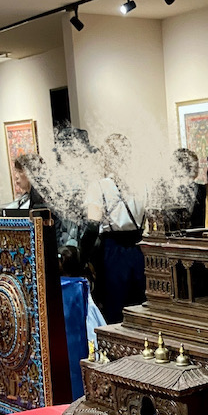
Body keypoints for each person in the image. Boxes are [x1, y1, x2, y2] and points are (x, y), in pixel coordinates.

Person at [84, 134, 147, 324]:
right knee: (141, 308)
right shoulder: (143, 184)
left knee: (116, 311)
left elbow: (92, 226)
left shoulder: (98, 187)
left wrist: (83, 257)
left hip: (112, 254)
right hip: (139, 251)